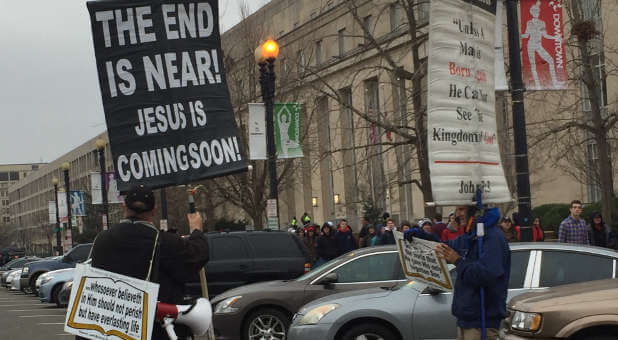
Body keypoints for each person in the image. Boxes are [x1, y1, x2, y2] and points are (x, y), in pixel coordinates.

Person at [83, 185, 209, 340]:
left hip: (109, 332)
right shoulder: (165, 242)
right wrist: (196, 230)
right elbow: (198, 256)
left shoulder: (101, 240)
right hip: (155, 332)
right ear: (154, 210)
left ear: (124, 207)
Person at [432, 207, 510, 340]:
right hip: (467, 319)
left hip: (482, 322)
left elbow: (486, 274)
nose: (457, 214)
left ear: (477, 210)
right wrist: (420, 235)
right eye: (457, 210)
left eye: (461, 209)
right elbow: (446, 246)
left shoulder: (493, 237)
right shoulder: (472, 236)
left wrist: (458, 261)